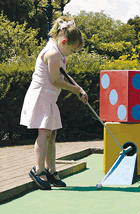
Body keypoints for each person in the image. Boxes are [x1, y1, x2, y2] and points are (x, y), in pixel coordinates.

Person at [20, 16, 88, 190]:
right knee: (44, 134)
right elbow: (55, 80)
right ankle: (38, 170)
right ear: (64, 42)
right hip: (41, 97)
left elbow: (64, 75)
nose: (71, 54)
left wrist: (79, 88)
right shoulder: (51, 53)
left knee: (52, 135)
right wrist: (73, 90)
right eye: (72, 51)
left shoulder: (58, 51)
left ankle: (51, 170)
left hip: (49, 98)